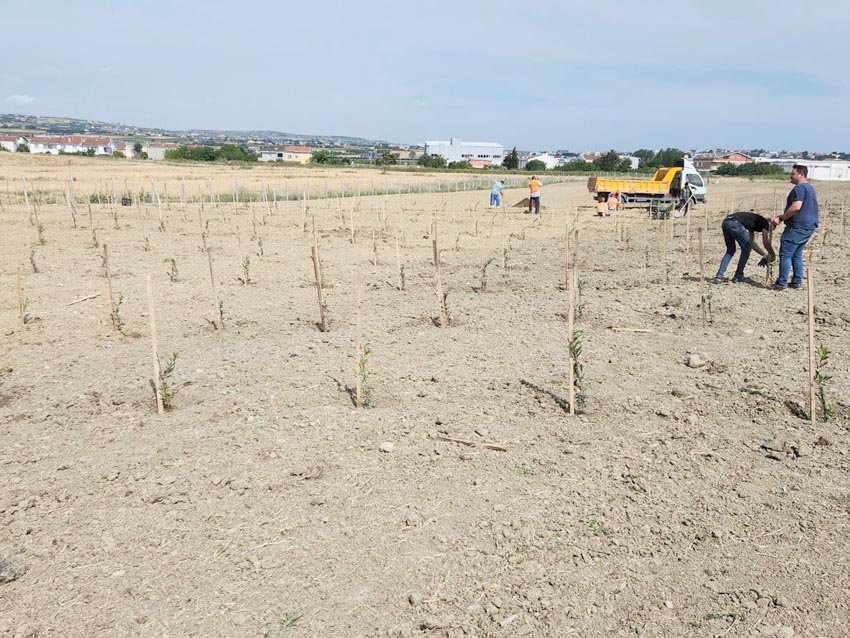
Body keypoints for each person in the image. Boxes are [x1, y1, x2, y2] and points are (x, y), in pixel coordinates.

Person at [770, 164, 819, 289]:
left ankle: (782, 283)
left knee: (785, 255)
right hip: (808, 227)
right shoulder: (810, 188)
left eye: (793, 174)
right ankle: (796, 282)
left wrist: (780, 218)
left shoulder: (799, 189)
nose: (790, 176)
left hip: (797, 226)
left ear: (801, 175)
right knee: (796, 254)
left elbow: (796, 207)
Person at [712, 211, 775, 283]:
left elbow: (752, 243)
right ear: (771, 223)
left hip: (726, 222)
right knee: (746, 249)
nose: (769, 231)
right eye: (772, 228)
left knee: (730, 250)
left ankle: (719, 277)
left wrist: (765, 255)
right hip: (735, 223)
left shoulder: (753, 223)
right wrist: (772, 255)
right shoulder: (765, 223)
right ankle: (738, 276)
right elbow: (766, 242)